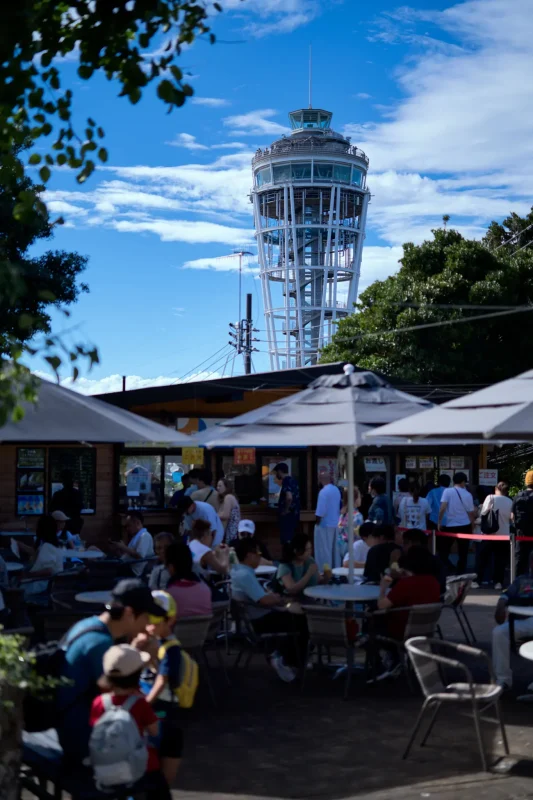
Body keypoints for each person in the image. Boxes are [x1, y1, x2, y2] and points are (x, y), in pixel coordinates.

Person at [57, 579, 165, 762]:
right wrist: (140, 657)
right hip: (83, 739)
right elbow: (121, 697)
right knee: (167, 737)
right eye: (146, 616)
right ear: (130, 613)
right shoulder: (101, 645)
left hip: (68, 725)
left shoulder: (87, 625)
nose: (147, 624)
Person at [231, 537, 307, 682]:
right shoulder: (245, 575)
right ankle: (287, 660)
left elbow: (260, 596)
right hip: (260, 621)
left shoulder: (237, 570)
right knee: (302, 622)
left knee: (297, 617)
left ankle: (287, 657)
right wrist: (281, 600)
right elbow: (264, 600)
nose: (260, 557)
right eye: (258, 553)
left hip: (254, 617)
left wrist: (275, 598)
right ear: (249, 555)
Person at [89, 644, 160, 778]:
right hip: (135, 767)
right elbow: (154, 731)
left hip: (105, 767)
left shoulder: (99, 702)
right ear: (136, 675)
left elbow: (94, 727)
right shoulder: (140, 703)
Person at [144, 591, 185, 786]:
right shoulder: (155, 642)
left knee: (162, 758)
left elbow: (162, 680)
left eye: (155, 622)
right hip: (156, 707)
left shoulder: (171, 648)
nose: (150, 627)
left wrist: (145, 704)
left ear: (170, 620)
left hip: (164, 709)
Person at [377, 545, 441, 642]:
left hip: (400, 631)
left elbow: (382, 606)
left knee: (372, 617)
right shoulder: (434, 582)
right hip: (426, 630)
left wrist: (382, 588)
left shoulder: (406, 584)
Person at [492, 552, 533, 690]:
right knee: (499, 632)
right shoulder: (522, 580)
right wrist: (501, 603)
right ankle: (503, 680)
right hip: (522, 620)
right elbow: (506, 595)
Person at [476, 481, 513, 590]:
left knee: (482, 558)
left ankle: (478, 580)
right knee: (500, 560)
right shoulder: (510, 501)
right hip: (504, 534)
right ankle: (498, 582)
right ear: (506, 491)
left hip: (489, 534)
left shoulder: (490, 497)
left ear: (496, 489)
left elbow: (483, 513)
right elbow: (511, 518)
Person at [438, 472, 476, 575]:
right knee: (463, 552)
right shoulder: (468, 494)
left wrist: (439, 522)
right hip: (465, 525)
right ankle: (460, 572)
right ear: (463, 482)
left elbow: (442, 508)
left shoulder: (447, 491)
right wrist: (472, 526)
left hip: (450, 525)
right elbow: (471, 513)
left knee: (444, 551)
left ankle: (445, 570)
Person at [22, 514, 64, 599]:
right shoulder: (52, 545)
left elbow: (48, 570)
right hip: (47, 584)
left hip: (41, 585)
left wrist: (28, 574)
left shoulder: (47, 547)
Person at [165, 541, 212, 617]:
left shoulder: (167, 596)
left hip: (176, 628)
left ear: (170, 566)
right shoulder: (206, 591)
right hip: (203, 628)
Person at [402, 528, 447, 593]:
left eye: (405, 543)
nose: (403, 547)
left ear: (413, 543)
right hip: (436, 600)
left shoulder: (406, 562)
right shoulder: (438, 562)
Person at [314, 471, 342, 570]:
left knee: (324, 550)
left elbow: (320, 511)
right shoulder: (336, 490)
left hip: (324, 524)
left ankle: (325, 571)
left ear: (321, 480)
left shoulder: (323, 492)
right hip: (335, 523)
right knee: (334, 551)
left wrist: (317, 523)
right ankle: (336, 570)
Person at [115, 511, 155, 577]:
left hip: (132, 570)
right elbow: (127, 556)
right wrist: (118, 549)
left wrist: (124, 547)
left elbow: (139, 555)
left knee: (105, 568)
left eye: (129, 526)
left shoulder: (145, 536)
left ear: (137, 523)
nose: (127, 529)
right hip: (125, 565)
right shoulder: (136, 537)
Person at [272, 463, 300, 545]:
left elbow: (289, 497)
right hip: (294, 516)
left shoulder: (286, 481)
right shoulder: (293, 480)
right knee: (292, 539)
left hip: (288, 517)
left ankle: (287, 557)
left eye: (277, 472)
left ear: (280, 471)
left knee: (286, 541)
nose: (276, 474)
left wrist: (286, 510)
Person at [513, 470, 533, 576]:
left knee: (520, 559)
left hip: (521, 533)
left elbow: (512, 516)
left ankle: (518, 582)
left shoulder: (518, 496)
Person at [50, 470, 83, 534]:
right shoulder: (78, 494)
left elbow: (52, 510)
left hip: (63, 528)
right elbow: (80, 507)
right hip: (73, 526)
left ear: (63, 482)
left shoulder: (58, 495)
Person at [337, 487, 364, 563]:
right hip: (353, 548)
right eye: (359, 496)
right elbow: (359, 535)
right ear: (354, 499)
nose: (360, 498)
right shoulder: (357, 516)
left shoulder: (342, 515)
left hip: (341, 547)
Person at [217, 478, 241, 542]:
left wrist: (215, 515)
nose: (218, 488)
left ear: (226, 487)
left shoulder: (228, 497)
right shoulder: (229, 497)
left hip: (232, 529)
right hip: (233, 528)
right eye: (217, 486)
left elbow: (225, 515)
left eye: (220, 486)